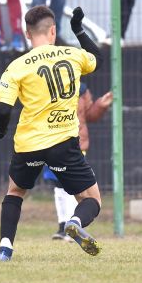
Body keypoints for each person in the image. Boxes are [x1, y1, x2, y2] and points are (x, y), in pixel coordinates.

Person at [0, 5, 104, 260]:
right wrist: (78, 30)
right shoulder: (73, 55)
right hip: (64, 142)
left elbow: (2, 108)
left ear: (27, 33)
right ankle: (74, 221)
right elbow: (98, 58)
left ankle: (5, 248)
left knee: (15, 192)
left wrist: (0, 130)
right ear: (53, 30)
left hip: (29, 143)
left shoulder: (17, 66)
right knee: (91, 199)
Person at [45, 82, 111, 240]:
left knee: (72, 186)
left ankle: (72, 225)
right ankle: (63, 226)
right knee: (57, 185)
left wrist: (100, 106)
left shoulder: (82, 89)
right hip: (50, 142)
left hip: (75, 145)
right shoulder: (48, 86)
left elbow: (87, 115)